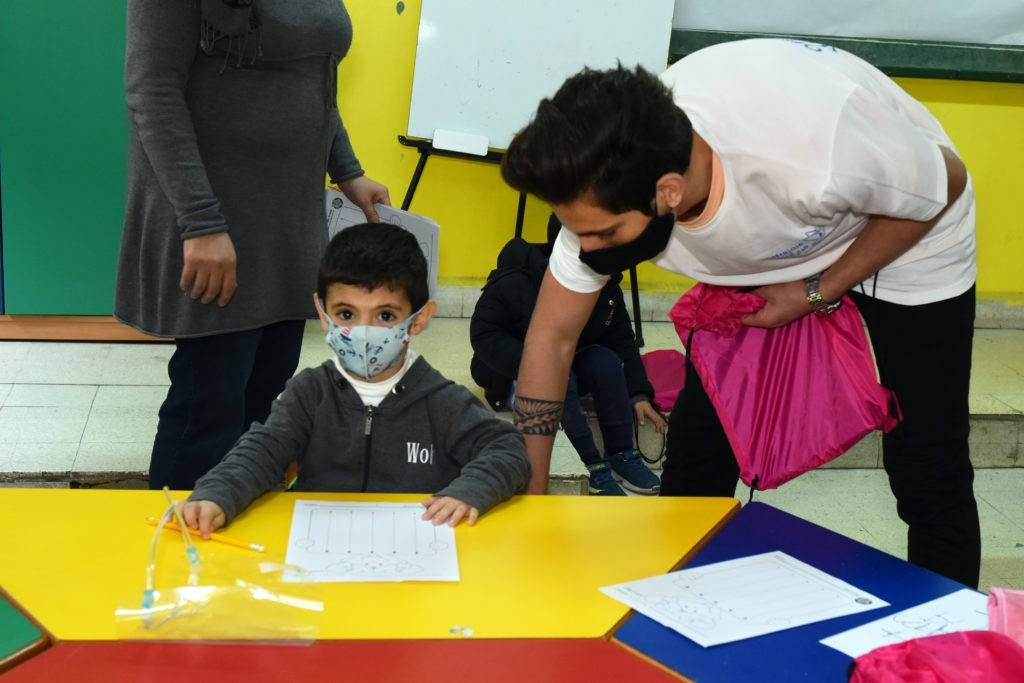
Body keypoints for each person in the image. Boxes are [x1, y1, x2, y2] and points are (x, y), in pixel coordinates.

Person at [500, 38, 980, 587]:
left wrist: (814, 291)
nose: (591, 249)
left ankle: (951, 644)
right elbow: (552, 339)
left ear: (669, 191)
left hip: (912, 232)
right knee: (699, 453)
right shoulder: (607, 185)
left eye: (605, 234)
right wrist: (530, 498)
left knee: (926, 461)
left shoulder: (812, 149)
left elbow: (947, 181)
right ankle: (679, 615)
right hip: (775, 242)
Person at [115, 0, 391, 490]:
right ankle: (180, 547)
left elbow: (315, 76)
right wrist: (201, 224)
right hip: (214, 216)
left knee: (265, 390)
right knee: (209, 403)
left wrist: (346, 170)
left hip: (285, 218)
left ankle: (237, 513)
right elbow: (152, 92)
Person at [179, 223, 530, 535]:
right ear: (322, 313)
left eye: (386, 315)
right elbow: (262, 451)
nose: (364, 331)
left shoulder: (443, 400)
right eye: (346, 313)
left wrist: (468, 490)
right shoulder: (309, 392)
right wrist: (216, 494)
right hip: (321, 552)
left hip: (413, 552)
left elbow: (508, 448)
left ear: (419, 320)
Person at [470, 217, 666, 495]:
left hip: (570, 360)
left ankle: (622, 454)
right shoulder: (516, 279)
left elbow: (621, 339)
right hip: (515, 373)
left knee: (605, 362)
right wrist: (534, 363)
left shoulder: (605, 284)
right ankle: (593, 466)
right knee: (556, 373)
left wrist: (639, 394)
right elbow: (483, 333)